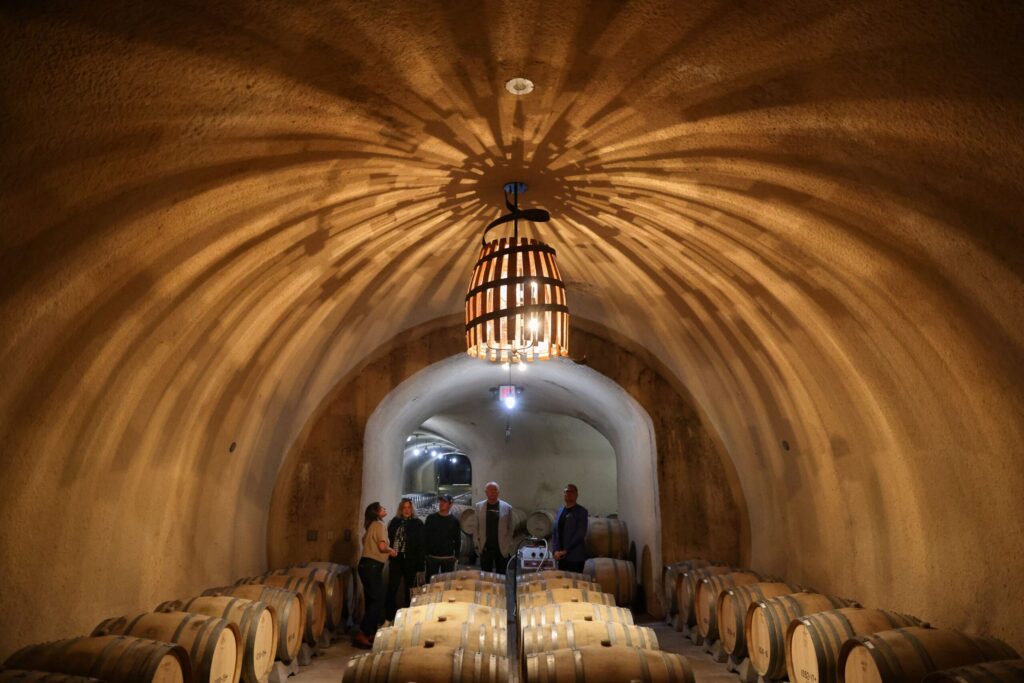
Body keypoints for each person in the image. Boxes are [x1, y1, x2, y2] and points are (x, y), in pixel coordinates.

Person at [354, 501, 397, 649]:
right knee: (377, 600)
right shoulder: (379, 525)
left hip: (365, 565)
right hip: (372, 566)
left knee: (371, 600)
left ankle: (370, 633)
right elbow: (382, 546)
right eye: (382, 508)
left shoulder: (370, 526)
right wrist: (391, 551)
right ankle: (362, 633)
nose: (385, 509)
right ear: (377, 512)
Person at [384, 497, 425, 621]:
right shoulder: (394, 522)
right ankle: (390, 617)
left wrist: (420, 566)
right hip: (396, 560)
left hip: (410, 561)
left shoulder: (418, 523)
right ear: (401, 509)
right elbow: (388, 539)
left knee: (410, 589)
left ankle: (409, 617)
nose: (407, 510)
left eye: (409, 508)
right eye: (404, 508)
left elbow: (421, 545)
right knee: (392, 588)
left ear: (412, 509)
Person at [473, 481, 515, 574]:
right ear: (486, 492)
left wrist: (507, 544)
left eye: (495, 490)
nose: (492, 492)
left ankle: (501, 588)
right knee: (486, 575)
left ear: (498, 492)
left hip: (501, 548)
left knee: (501, 575)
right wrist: (477, 544)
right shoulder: (479, 506)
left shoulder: (507, 507)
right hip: (485, 548)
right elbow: (476, 527)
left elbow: (511, 528)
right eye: (490, 490)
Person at [423, 494, 462, 582]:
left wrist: (457, 555)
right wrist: (425, 554)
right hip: (432, 557)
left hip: (448, 558)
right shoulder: (431, 518)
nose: (441, 503)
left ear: (450, 504)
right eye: (440, 501)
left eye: (444, 501)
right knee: (430, 583)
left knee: (447, 584)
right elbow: (425, 537)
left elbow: (457, 539)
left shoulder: (454, 521)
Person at [551, 483, 588, 573]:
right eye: (566, 491)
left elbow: (580, 534)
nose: (568, 493)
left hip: (575, 557)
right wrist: (555, 551)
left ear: (576, 495)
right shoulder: (560, 511)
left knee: (575, 585)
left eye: (572, 491)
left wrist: (566, 550)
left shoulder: (581, 511)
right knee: (563, 584)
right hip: (561, 558)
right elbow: (555, 532)